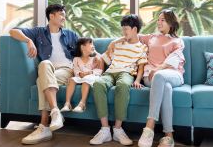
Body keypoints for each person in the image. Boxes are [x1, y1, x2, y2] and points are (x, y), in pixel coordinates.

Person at [110, 9, 185, 147]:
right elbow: (131, 35)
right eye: (158, 19)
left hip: (173, 74)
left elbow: (175, 59)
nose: (159, 22)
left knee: (160, 76)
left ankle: (149, 127)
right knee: (165, 88)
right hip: (152, 77)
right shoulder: (151, 38)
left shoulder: (177, 41)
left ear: (171, 22)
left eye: (163, 19)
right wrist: (114, 42)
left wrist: (159, 68)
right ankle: (169, 136)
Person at [9, 4, 78, 144]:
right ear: (51, 16)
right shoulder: (38, 32)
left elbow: (85, 50)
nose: (64, 18)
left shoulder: (71, 35)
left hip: (66, 69)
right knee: (44, 64)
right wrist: (28, 40)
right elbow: (13, 31)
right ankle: (55, 111)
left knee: (42, 81)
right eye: (61, 14)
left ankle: (44, 126)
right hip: (48, 69)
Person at [90, 14, 148, 146]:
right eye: (122, 29)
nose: (123, 32)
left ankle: (117, 129)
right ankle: (105, 130)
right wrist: (95, 62)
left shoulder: (142, 47)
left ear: (134, 29)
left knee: (122, 85)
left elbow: (141, 67)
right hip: (111, 72)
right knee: (98, 83)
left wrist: (138, 80)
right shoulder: (118, 44)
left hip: (126, 73)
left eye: (126, 29)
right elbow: (104, 60)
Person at [60, 37, 104, 113]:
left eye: (93, 43)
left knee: (86, 81)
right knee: (71, 80)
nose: (93, 45)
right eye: (90, 43)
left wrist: (89, 73)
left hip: (91, 77)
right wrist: (79, 74)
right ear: (82, 47)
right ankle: (67, 103)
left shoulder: (95, 58)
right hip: (80, 77)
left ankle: (82, 103)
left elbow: (99, 71)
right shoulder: (76, 59)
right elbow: (76, 70)